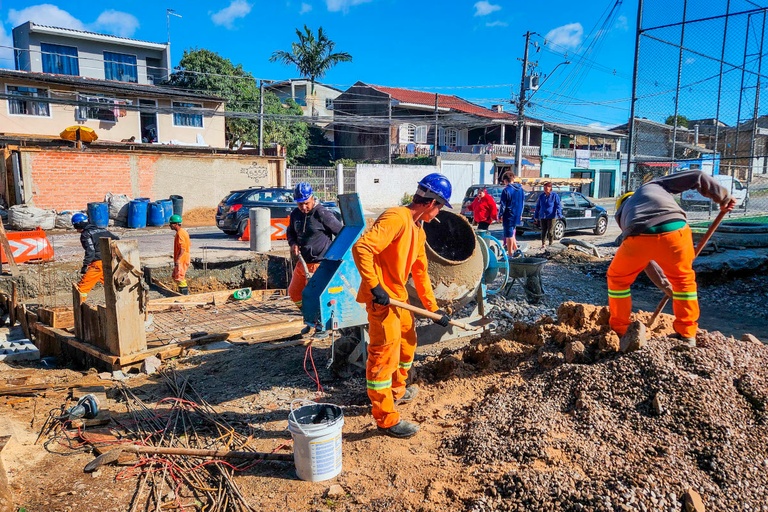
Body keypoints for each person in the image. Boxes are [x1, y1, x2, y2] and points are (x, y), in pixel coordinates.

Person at [352, 173, 452, 439]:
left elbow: (421, 272)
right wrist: (375, 286)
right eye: (440, 207)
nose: (439, 213)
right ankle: (386, 418)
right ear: (432, 203)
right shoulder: (396, 218)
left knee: (408, 342)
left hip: (398, 297)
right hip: (383, 300)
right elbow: (362, 248)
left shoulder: (418, 230)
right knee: (382, 357)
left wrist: (433, 310)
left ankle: (397, 390)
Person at [608, 171, 736, 347]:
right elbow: (697, 176)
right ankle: (687, 333)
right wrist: (723, 198)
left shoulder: (623, 214)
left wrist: (664, 285)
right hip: (676, 230)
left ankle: (621, 330)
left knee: (618, 279)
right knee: (683, 281)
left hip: (639, 235)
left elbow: (646, 260)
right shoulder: (653, 186)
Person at [286, 182, 343, 310]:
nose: (304, 207)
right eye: (300, 204)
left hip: (319, 264)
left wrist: (334, 257)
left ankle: (317, 323)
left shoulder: (322, 214)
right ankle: (307, 314)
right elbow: (290, 231)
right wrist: (293, 243)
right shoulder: (296, 214)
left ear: (312, 198)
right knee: (294, 293)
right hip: (302, 262)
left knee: (314, 297)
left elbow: (341, 234)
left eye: (307, 203)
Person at [72, 212, 119, 300]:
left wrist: (85, 265)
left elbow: (90, 250)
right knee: (111, 284)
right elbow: (117, 239)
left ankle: (79, 308)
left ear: (78, 225)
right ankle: (122, 302)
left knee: (82, 287)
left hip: (98, 264)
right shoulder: (102, 230)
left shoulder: (86, 234)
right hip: (109, 261)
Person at [499, 172, 526, 258]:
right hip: (517, 214)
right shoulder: (521, 189)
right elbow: (522, 202)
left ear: (505, 181)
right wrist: (520, 214)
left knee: (508, 235)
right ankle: (516, 249)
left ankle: (510, 254)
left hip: (509, 215)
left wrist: (500, 215)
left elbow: (503, 205)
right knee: (512, 231)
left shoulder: (506, 190)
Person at [533, 182, 562, 248]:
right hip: (543, 216)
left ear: (550, 188)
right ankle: (543, 244)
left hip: (551, 216)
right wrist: (536, 216)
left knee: (550, 231)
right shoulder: (541, 196)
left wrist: (559, 214)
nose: (545, 189)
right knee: (543, 230)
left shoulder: (554, 196)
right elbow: (538, 207)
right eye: (544, 188)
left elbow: (558, 206)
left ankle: (550, 244)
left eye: (547, 187)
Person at [169, 214, 190, 295]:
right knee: (176, 276)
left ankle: (184, 294)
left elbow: (182, 248)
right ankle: (182, 292)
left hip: (182, 259)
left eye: (171, 224)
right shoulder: (182, 232)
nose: (170, 225)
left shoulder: (180, 233)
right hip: (183, 257)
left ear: (176, 224)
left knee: (179, 277)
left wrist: (178, 259)